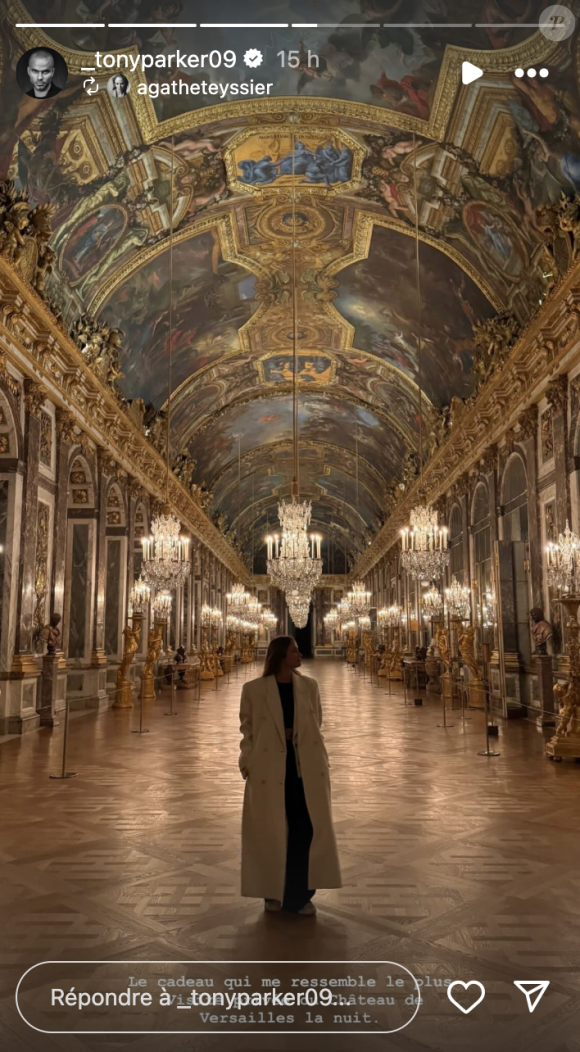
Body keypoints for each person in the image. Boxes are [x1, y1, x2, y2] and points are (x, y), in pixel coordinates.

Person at [238, 635, 341, 916]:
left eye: (298, 650)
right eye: (294, 651)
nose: (299, 654)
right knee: (270, 831)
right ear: (280, 656)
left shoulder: (309, 686)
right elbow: (247, 730)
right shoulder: (253, 689)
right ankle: (272, 892)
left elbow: (315, 722)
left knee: (304, 829)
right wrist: (248, 761)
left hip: (303, 766)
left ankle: (300, 894)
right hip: (268, 768)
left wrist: (295, 736)